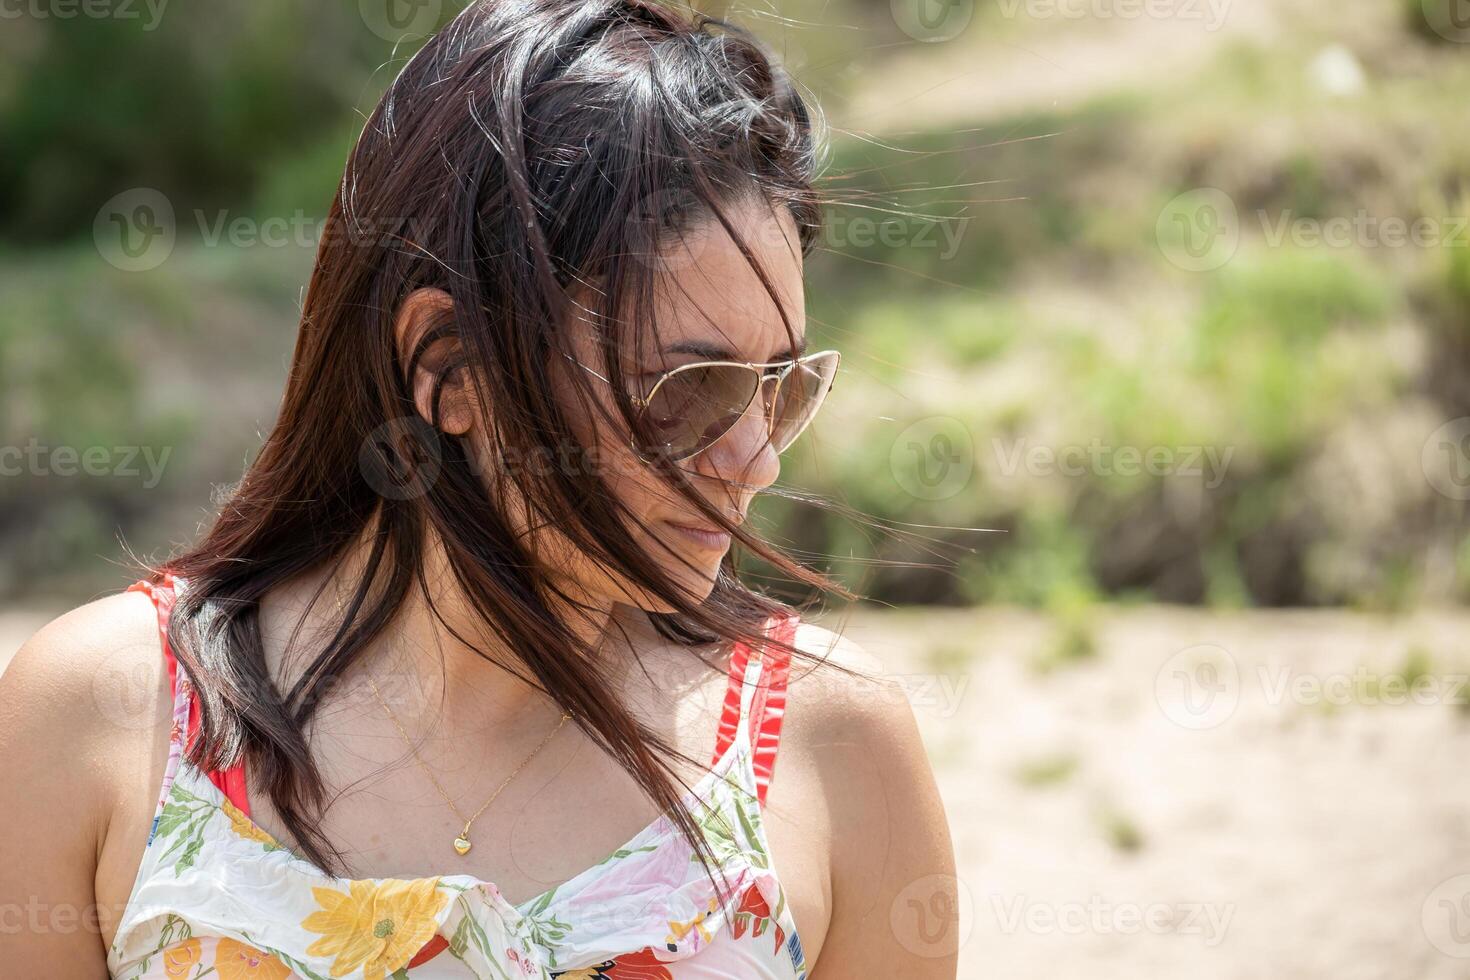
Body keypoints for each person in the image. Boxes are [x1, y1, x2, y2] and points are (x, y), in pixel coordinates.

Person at [0, 1, 957, 976]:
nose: (759, 459)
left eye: (779, 387)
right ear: (450, 369)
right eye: (691, 392)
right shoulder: (105, 714)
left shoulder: (833, 748)